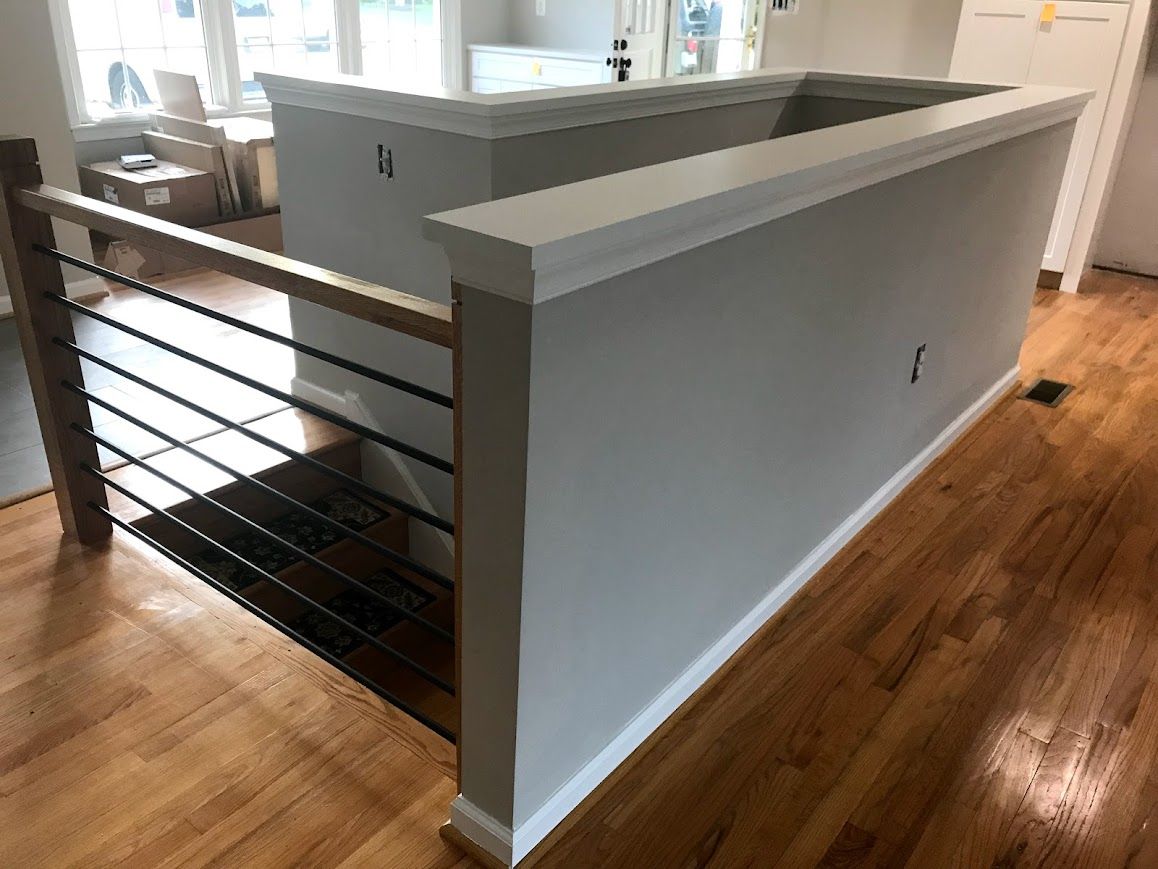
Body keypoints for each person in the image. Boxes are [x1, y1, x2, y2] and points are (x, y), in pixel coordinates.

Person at [699, 0, 724, 74]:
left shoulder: (718, 8)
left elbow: (711, 28)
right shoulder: (715, 7)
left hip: (712, 39)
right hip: (710, 39)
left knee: (707, 64)